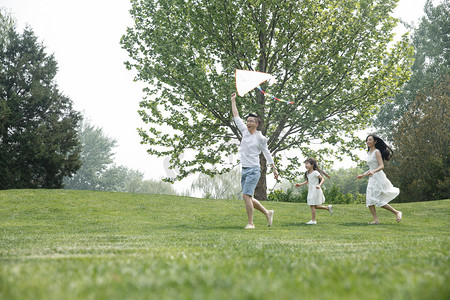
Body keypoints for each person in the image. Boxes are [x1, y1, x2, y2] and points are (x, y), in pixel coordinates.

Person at [231, 92, 279, 229]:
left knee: (246, 196)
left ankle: (250, 223)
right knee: (249, 197)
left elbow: (266, 152)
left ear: (257, 124)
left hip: (254, 170)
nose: (248, 123)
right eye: (247, 121)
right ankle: (267, 212)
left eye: (251, 121)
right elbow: (236, 117)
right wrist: (233, 100)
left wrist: (274, 168)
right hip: (245, 169)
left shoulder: (261, 138)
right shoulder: (244, 132)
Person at [357, 134, 402, 224]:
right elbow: (371, 168)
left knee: (377, 200)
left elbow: (381, 166)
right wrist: (363, 174)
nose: (368, 141)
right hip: (372, 178)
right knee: (369, 200)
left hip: (378, 178)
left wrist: (374, 171)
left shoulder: (377, 152)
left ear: (375, 142)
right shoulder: (369, 153)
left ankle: (397, 212)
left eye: (370, 140)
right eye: (367, 140)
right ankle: (376, 220)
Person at [295, 158, 332, 224]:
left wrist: (319, 185)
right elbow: (308, 181)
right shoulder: (308, 173)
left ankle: (313, 220)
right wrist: (300, 184)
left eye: (307, 164)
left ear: (312, 165)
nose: (305, 165)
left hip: (316, 189)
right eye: (305, 164)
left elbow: (322, 179)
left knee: (312, 205)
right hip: (311, 190)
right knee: (315, 206)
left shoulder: (315, 172)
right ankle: (327, 208)